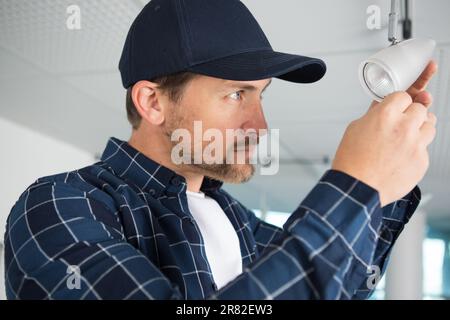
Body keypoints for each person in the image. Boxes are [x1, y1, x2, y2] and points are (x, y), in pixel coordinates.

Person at [4, 0, 438, 299]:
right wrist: (355, 183)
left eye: (260, 96)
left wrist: (382, 187)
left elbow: (340, 281)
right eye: (235, 94)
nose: (260, 125)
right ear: (152, 102)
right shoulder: (57, 205)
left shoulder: (236, 219)